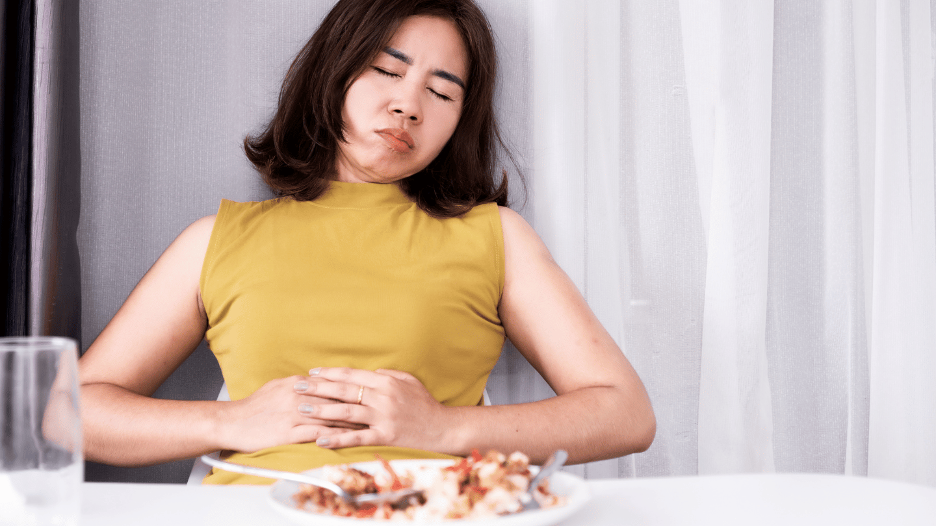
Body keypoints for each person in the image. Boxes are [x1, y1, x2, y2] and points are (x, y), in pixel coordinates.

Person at [78, 0, 656, 484]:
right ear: (335, 70)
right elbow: (65, 413)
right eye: (387, 70)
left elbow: (625, 412)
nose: (408, 105)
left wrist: (444, 428)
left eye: (444, 92)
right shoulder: (215, 241)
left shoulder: (495, 237)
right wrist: (232, 422)